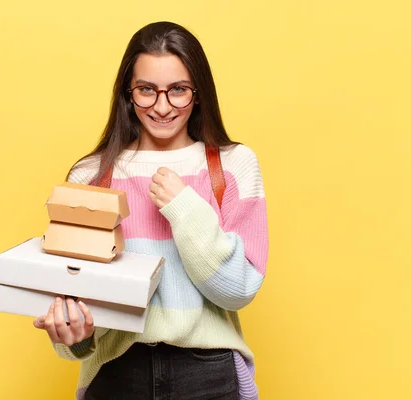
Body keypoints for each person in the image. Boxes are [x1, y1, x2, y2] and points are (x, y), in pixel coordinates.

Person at [33, 21, 269, 400]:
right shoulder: (91, 175)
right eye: (147, 90)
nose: (162, 106)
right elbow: (73, 299)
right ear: (128, 94)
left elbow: (237, 290)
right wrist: (74, 336)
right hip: (117, 374)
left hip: (206, 376)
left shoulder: (234, 166)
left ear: (198, 93)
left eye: (177, 90)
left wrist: (184, 207)